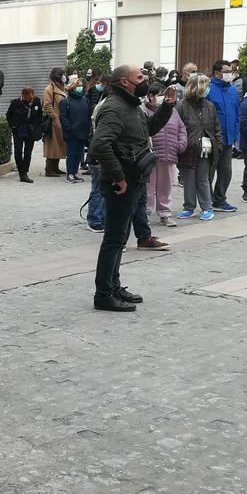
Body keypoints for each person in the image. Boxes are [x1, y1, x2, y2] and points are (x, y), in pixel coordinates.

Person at [89, 64, 178, 312]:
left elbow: (148, 129)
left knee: (120, 237)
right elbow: (100, 145)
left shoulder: (131, 105)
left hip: (134, 178)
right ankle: (104, 294)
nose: (144, 80)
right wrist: (118, 177)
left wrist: (167, 106)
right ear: (124, 82)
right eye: (139, 77)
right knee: (114, 239)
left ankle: (114, 285)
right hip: (121, 183)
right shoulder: (114, 108)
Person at [176, 74, 223, 221]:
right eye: (206, 85)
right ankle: (189, 207)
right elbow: (176, 127)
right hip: (187, 148)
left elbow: (216, 127)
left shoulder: (209, 105)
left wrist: (219, 145)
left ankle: (207, 207)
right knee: (188, 178)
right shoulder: (181, 105)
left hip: (206, 146)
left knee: (203, 178)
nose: (208, 89)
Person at [144, 82, 187, 226]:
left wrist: (181, 144)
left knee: (165, 186)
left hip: (168, 155)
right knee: (148, 188)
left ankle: (165, 214)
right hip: (150, 156)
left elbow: (182, 128)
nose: (163, 97)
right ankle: (145, 213)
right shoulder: (143, 111)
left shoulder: (172, 111)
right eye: (160, 95)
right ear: (151, 96)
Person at [206, 60, 240, 212]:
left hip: (228, 138)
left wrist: (235, 133)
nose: (229, 74)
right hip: (212, 138)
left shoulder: (232, 90)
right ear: (217, 73)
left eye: (230, 71)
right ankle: (206, 200)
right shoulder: (208, 89)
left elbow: (237, 112)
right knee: (208, 172)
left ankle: (220, 199)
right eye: (226, 71)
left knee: (226, 171)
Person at [5, 87, 44, 183]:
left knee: (28, 152)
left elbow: (40, 114)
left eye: (33, 95)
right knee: (18, 151)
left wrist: (37, 125)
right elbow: (9, 115)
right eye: (30, 96)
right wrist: (13, 126)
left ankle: (24, 173)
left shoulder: (36, 101)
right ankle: (20, 170)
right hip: (19, 130)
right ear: (24, 95)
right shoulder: (16, 103)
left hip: (30, 131)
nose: (32, 98)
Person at [59, 80, 92, 183]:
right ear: (72, 87)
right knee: (72, 153)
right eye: (78, 86)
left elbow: (88, 115)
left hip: (83, 131)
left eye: (81, 86)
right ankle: (70, 173)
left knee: (79, 154)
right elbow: (63, 117)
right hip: (72, 133)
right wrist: (69, 128)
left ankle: (74, 173)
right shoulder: (65, 101)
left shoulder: (85, 100)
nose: (80, 87)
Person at [42, 67, 69, 177]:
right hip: (54, 122)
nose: (64, 77)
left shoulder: (61, 87)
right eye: (62, 75)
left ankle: (55, 167)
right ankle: (49, 169)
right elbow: (47, 105)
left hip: (61, 120)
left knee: (59, 145)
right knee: (53, 146)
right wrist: (54, 117)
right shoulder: (49, 89)